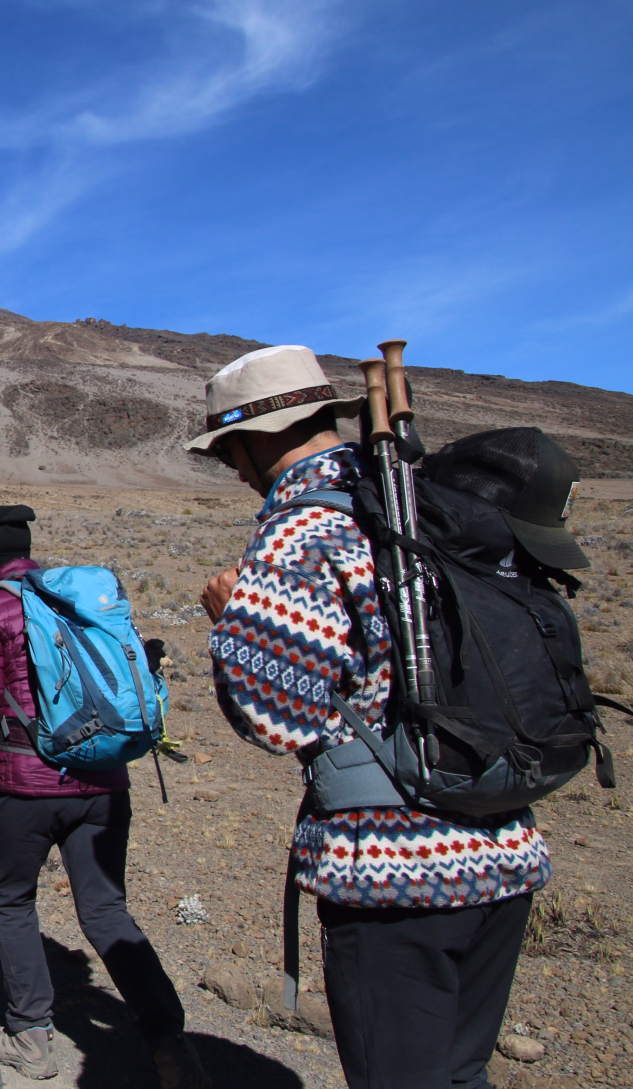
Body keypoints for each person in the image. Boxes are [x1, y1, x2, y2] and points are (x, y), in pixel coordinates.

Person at [192, 345, 551, 1089]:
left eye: (229, 451)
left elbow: (277, 719)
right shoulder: (420, 502)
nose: (234, 470)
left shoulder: (299, 532)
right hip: (502, 840)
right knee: (462, 1074)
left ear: (258, 438)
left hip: (392, 867)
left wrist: (235, 625)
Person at [0, 505, 207, 1087]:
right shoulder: (74, 598)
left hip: (27, 784)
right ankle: (170, 1042)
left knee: (12, 901)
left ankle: (31, 1037)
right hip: (105, 779)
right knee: (105, 908)